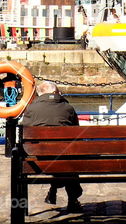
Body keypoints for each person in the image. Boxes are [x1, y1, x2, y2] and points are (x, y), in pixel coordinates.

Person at [19, 80, 83, 213]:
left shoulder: (31, 109)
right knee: (66, 158)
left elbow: (24, 136)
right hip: (66, 160)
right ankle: (72, 199)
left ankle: (53, 189)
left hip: (39, 161)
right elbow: (77, 135)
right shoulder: (68, 109)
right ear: (55, 92)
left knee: (55, 157)